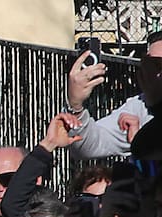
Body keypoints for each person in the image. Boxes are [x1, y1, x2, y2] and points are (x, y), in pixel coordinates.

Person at [65, 30, 162, 160]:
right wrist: (75, 106)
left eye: (159, 64)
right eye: (150, 64)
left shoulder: (151, 101)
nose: (155, 73)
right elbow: (88, 147)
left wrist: (138, 142)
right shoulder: (140, 106)